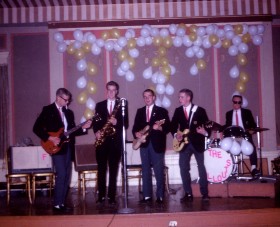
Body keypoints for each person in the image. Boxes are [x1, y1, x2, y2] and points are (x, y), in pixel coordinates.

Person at [33, 88, 92, 211]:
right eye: (66, 100)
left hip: (67, 146)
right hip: (55, 147)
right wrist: (51, 138)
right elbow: (36, 128)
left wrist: (84, 128)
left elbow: (71, 131)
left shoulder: (69, 113)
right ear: (58, 98)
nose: (67, 103)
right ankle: (56, 203)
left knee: (67, 175)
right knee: (62, 174)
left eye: (68, 100)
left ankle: (61, 203)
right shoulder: (48, 110)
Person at [170, 89, 210, 202]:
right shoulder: (178, 111)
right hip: (183, 144)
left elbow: (207, 126)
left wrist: (205, 132)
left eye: (182, 97)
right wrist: (175, 134)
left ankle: (205, 193)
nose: (179, 99)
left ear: (189, 98)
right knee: (183, 168)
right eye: (179, 97)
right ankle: (188, 193)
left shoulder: (200, 110)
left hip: (197, 143)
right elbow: (173, 125)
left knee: (201, 167)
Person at [93, 81, 128, 205]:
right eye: (109, 90)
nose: (111, 92)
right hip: (102, 141)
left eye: (114, 90)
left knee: (113, 170)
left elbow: (126, 123)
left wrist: (116, 122)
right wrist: (96, 132)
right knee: (101, 169)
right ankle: (101, 196)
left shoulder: (122, 104)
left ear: (117, 91)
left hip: (115, 142)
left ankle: (112, 197)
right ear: (106, 90)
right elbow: (95, 122)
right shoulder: (99, 105)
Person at [132, 89, 170, 204]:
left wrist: (159, 128)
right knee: (145, 170)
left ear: (154, 97)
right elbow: (134, 128)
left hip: (157, 145)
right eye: (145, 96)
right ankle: (147, 196)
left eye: (149, 96)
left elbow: (167, 127)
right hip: (143, 144)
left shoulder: (161, 111)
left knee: (158, 171)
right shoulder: (140, 111)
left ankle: (160, 196)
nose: (147, 98)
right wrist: (136, 133)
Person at [224, 94, 260, 177]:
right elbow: (227, 125)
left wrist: (252, 130)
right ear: (232, 102)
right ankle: (230, 169)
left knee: (252, 147)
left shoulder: (247, 112)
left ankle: (253, 168)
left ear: (241, 103)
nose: (237, 104)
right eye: (235, 102)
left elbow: (253, 124)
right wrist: (218, 128)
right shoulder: (228, 113)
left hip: (244, 135)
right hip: (232, 136)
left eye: (239, 102)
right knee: (227, 146)